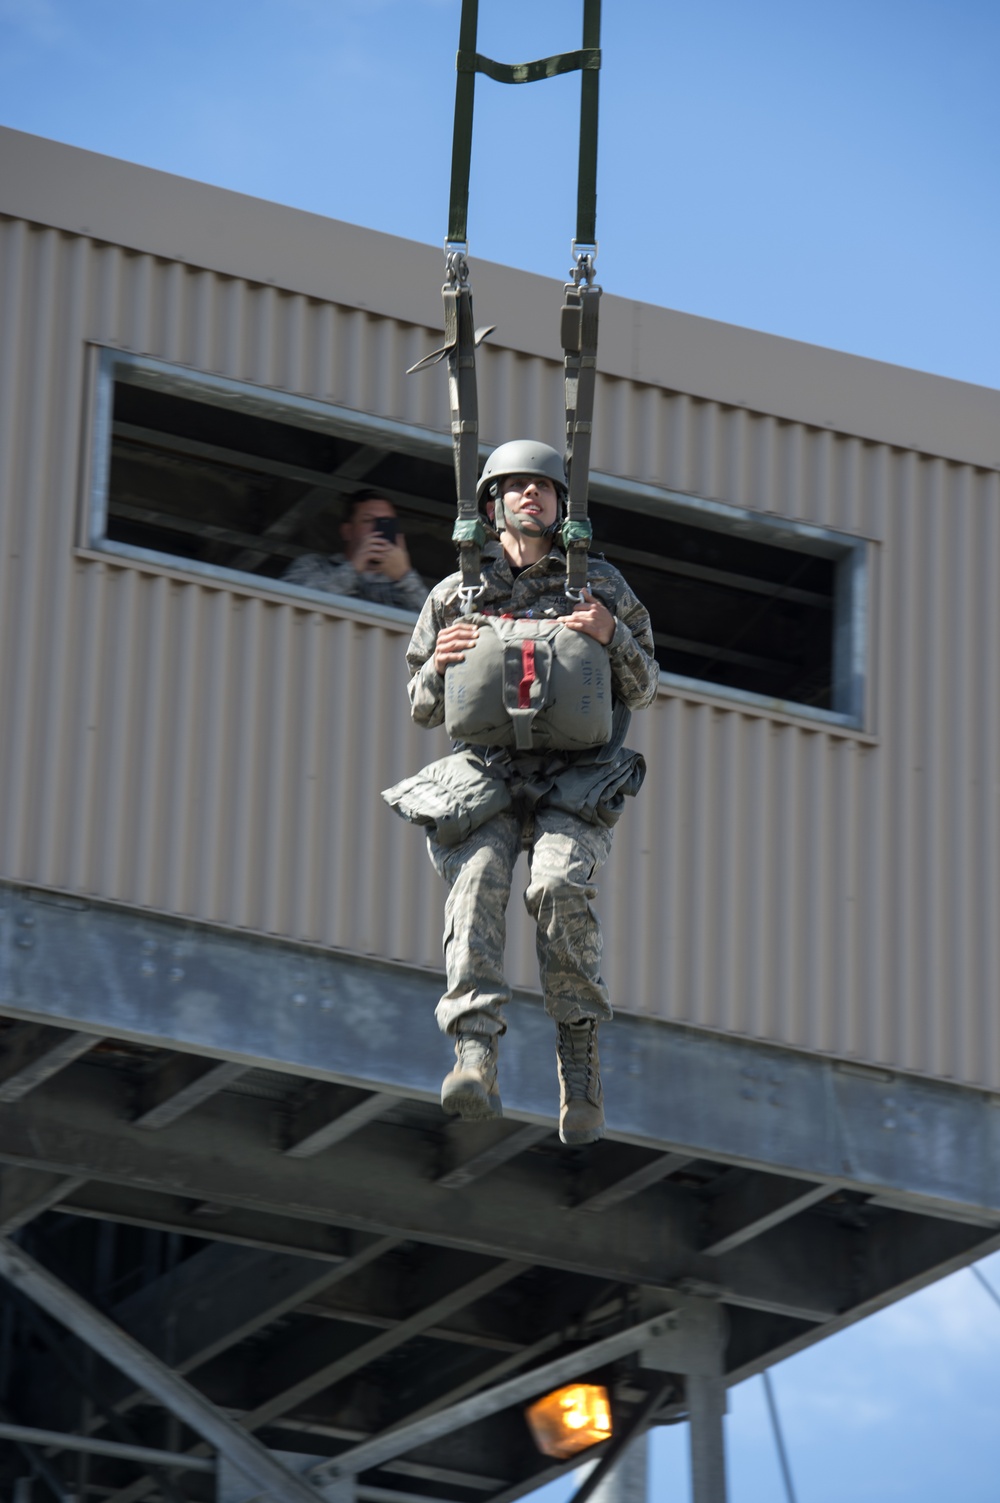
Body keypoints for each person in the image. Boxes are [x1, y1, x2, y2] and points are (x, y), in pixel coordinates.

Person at [384, 440, 658, 1145]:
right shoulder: (454, 594)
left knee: (558, 886)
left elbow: (646, 686)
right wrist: (440, 665)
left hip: (577, 775)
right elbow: (419, 704)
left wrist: (610, 636)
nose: (532, 496)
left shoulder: (599, 587)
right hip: (486, 774)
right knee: (476, 881)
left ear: (563, 506)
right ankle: (474, 1051)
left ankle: (579, 1053)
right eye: (517, 486)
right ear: (491, 505)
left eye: (544, 487)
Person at [284, 491, 428, 611]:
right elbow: (288, 604)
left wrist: (405, 576)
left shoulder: (404, 584)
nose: (376, 529)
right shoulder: (314, 565)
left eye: (387, 523)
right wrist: (352, 569)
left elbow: (436, 629)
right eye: (368, 521)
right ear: (347, 531)